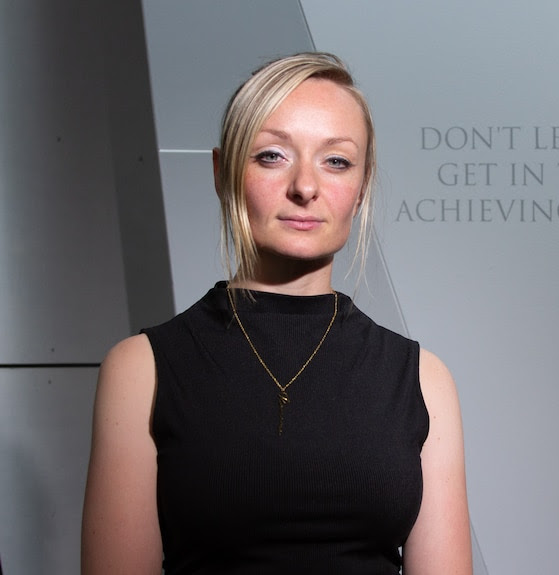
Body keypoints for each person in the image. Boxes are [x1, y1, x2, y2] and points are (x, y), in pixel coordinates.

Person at [81, 52, 472, 574]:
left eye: (336, 160)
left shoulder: (422, 378)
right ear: (223, 173)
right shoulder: (141, 369)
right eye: (272, 156)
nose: (305, 188)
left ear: (361, 187)